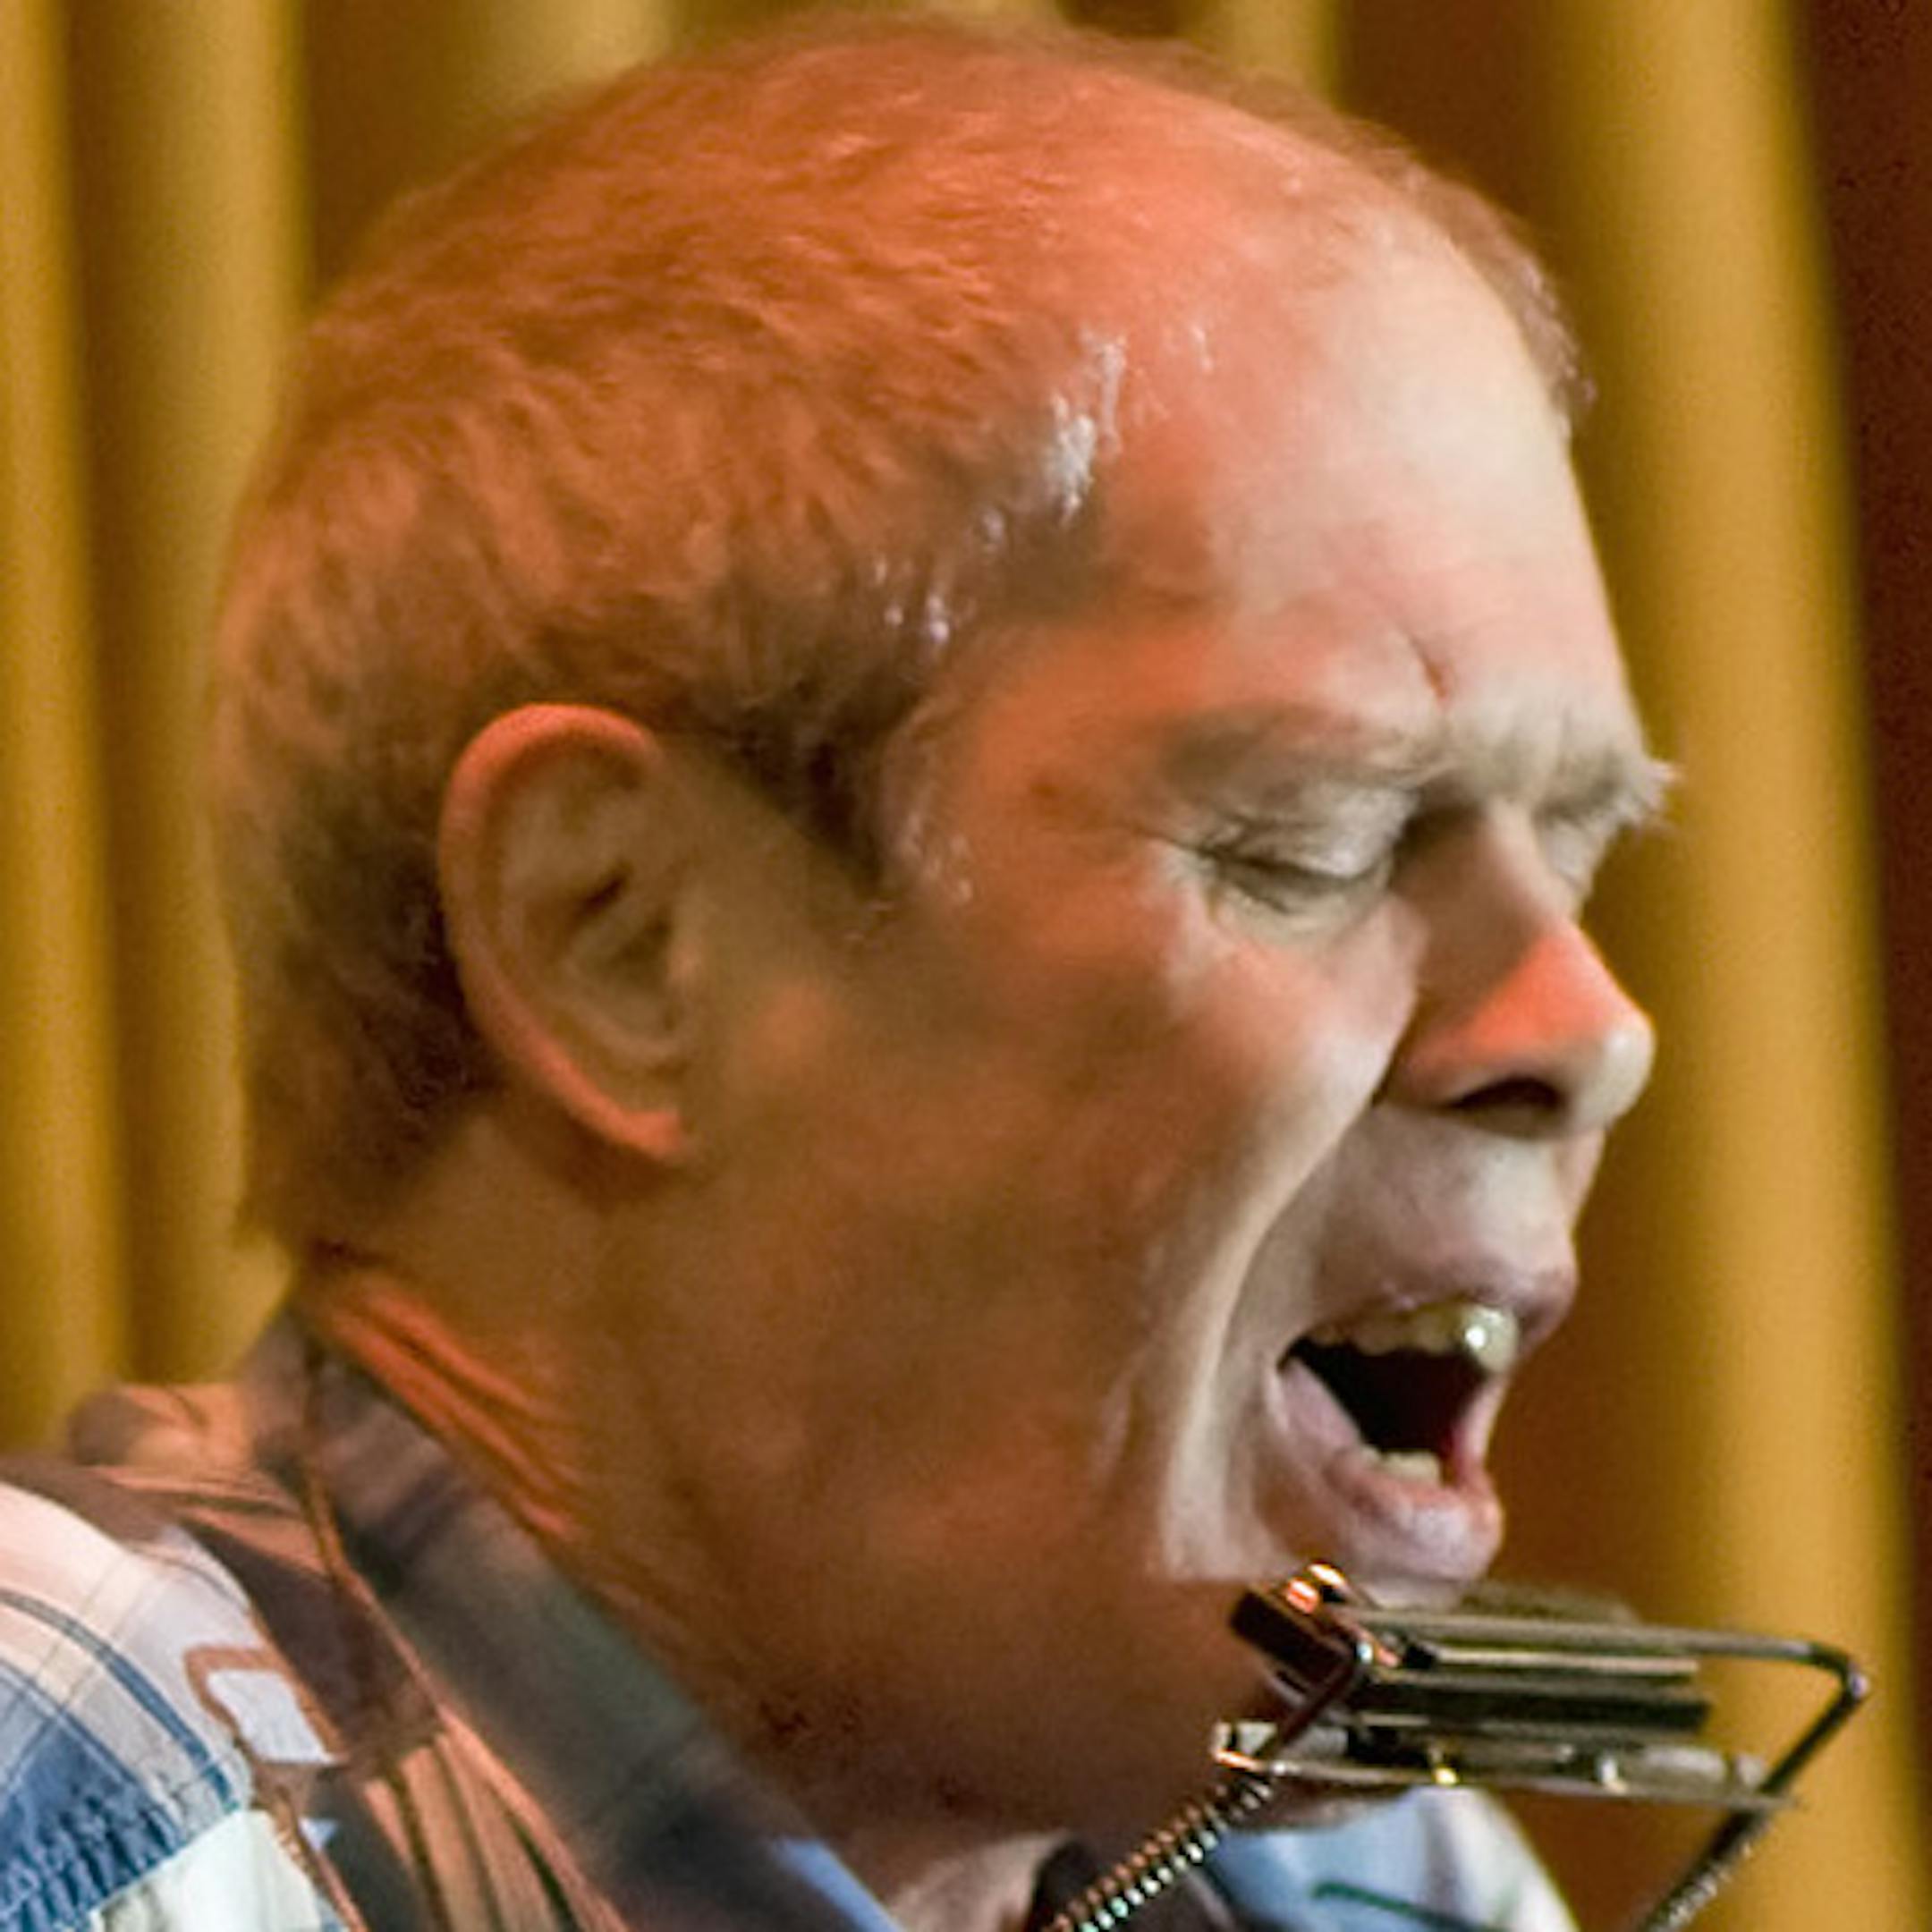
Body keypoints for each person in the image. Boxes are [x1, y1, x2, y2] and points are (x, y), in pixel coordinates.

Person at [0, 13, 1665, 1930]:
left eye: (1581, 848)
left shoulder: (1384, 1883)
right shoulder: (76, 1801)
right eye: (1316, 838)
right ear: (625, 938)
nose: (1591, 1031)